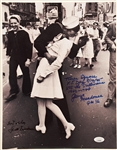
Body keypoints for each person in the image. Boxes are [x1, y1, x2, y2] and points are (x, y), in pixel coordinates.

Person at [31, 16, 88, 138]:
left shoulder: (69, 38)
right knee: (45, 98)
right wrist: (47, 55)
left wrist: (77, 44)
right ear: (68, 29)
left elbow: (71, 55)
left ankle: (64, 124)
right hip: (47, 63)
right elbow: (38, 42)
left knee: (51, 98)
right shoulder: (55, 28)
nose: (74, 33)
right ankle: (45, 123)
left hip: (50, 67)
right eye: (73, 31)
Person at [5, 15, 32, 102]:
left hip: (23, 56)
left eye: (15, 23)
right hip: (14, 56)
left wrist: (28, 59)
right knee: (12, 73)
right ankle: (13, 91)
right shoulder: (10, 34)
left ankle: (27, 90)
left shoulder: (24, 33)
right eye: (11, 23)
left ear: (18, 23)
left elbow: (29, 47)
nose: (13, 25)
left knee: (25, 73)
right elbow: (9, 46)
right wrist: (8, 55)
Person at [104, 15, 116, 107]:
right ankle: (110, 97)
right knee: (113, 75)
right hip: (115, 52)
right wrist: (111, 44)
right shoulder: (113, 25)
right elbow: (107, 37)